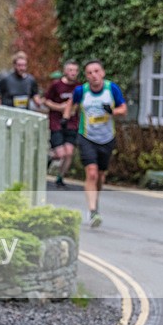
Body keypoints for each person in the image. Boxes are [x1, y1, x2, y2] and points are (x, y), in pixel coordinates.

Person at [63, 59, 127, 228]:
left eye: (97, 71)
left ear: (103, 73)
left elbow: (123, 109)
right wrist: (65, 118)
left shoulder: (111, 89)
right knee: (91, 173)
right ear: (86, 76)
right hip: (87, 137)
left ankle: (95, 200)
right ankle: (92, 211)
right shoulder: (81, 91)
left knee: (100, 176)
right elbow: (71, 103)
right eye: (90, 73)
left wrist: (112, 111)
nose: (94, 75)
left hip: (106, 138)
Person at [44, 60, 80, 188]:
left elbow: (79, 103)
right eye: (70, 70)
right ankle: (49, 157)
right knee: (61, 153)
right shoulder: (56, 85)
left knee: (69, 152)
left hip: (72, 123)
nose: (73, 73)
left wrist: (72, 108)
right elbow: (46, 101)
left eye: (75, 71)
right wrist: (59, 107)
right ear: (65, 71)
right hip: (57, 123)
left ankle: (60, 177)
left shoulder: (79, 87)